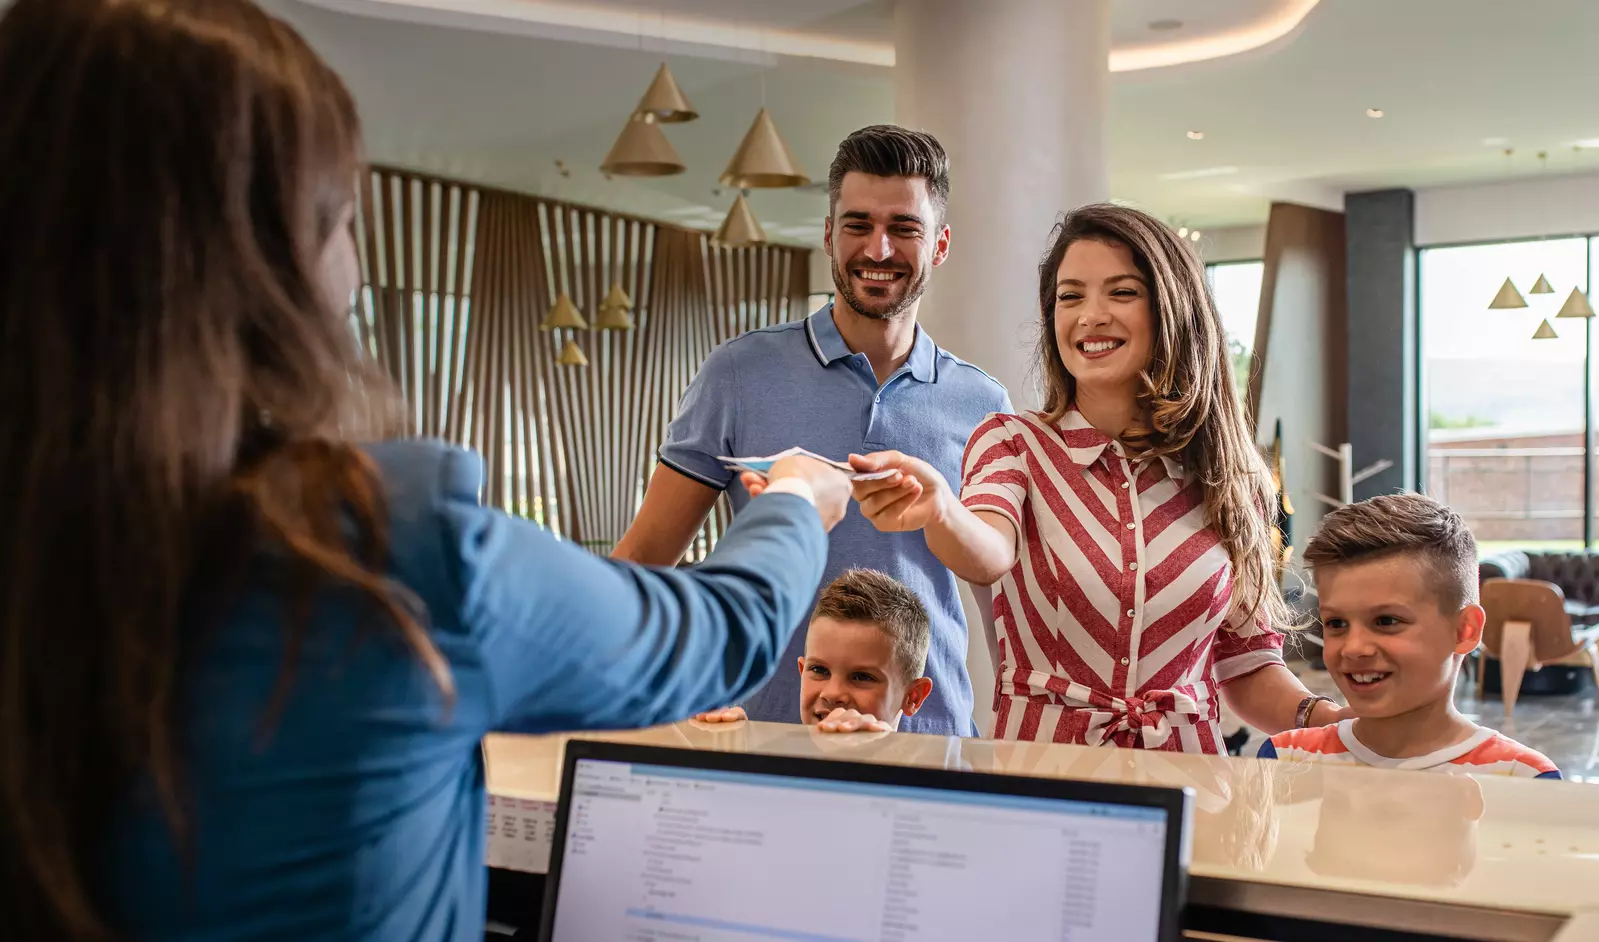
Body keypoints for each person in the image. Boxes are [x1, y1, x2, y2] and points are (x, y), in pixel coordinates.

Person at [0, 2, 854, 940]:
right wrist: (797, 501)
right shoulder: (381, 550)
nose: (355, 272)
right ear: (275, 257)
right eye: (342, 219)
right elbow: (720, 634)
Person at [850, 203, 1348, 751]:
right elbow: (988, 553)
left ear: (1172, 310)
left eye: (1121, 292)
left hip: (1190, 789)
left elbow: (1248, 665)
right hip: (1044, 787)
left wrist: (1337, 720)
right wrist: (941, 508)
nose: (1090, 315)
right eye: (1070, 296)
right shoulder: (1013, 443)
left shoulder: (1234, 477)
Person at [613, 125, 1011, 736]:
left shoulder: (983, 402)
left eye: (904, 228)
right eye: (858, 224)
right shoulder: (740, 373)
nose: (878, 249)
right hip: (760, 731)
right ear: (829, 234)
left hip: (929, 739)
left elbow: (998, 588)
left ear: (940, 244)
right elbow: (644, 558)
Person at [1258, 494, 1560, 778]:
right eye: (1336, 623)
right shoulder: (1287, 759)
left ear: (1464, 630)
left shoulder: (1521, 776)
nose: (1353, 648)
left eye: (1386, 621)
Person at [699, 569, 935, 733]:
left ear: (913, 697)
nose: (832, 694)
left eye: (862, 676)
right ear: (802, 671)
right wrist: (726, 757)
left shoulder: (925, 791)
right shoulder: (778, 773)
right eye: (819, 670)